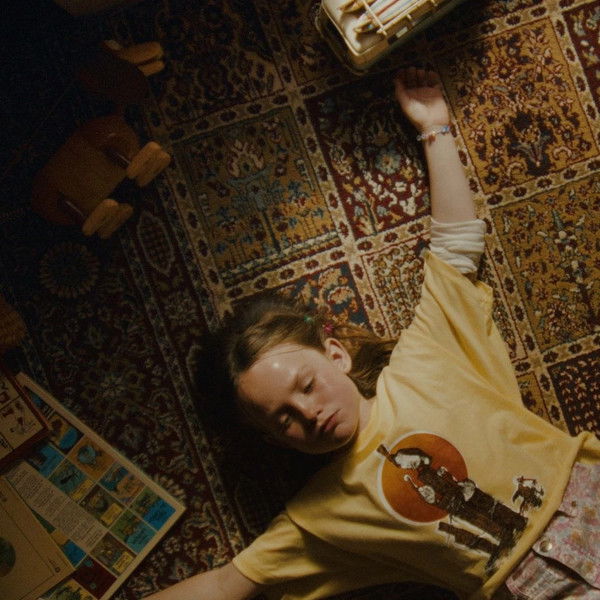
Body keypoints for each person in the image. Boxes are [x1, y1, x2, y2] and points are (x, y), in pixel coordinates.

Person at [144, 68, 600, 600]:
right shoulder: (318, 517)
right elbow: (227, 585)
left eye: (306, 385)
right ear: (274, 439)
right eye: (283, 418)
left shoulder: (426, 355)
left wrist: (434, 128)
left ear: (335, 354)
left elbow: (455, 247)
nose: (308, 412)